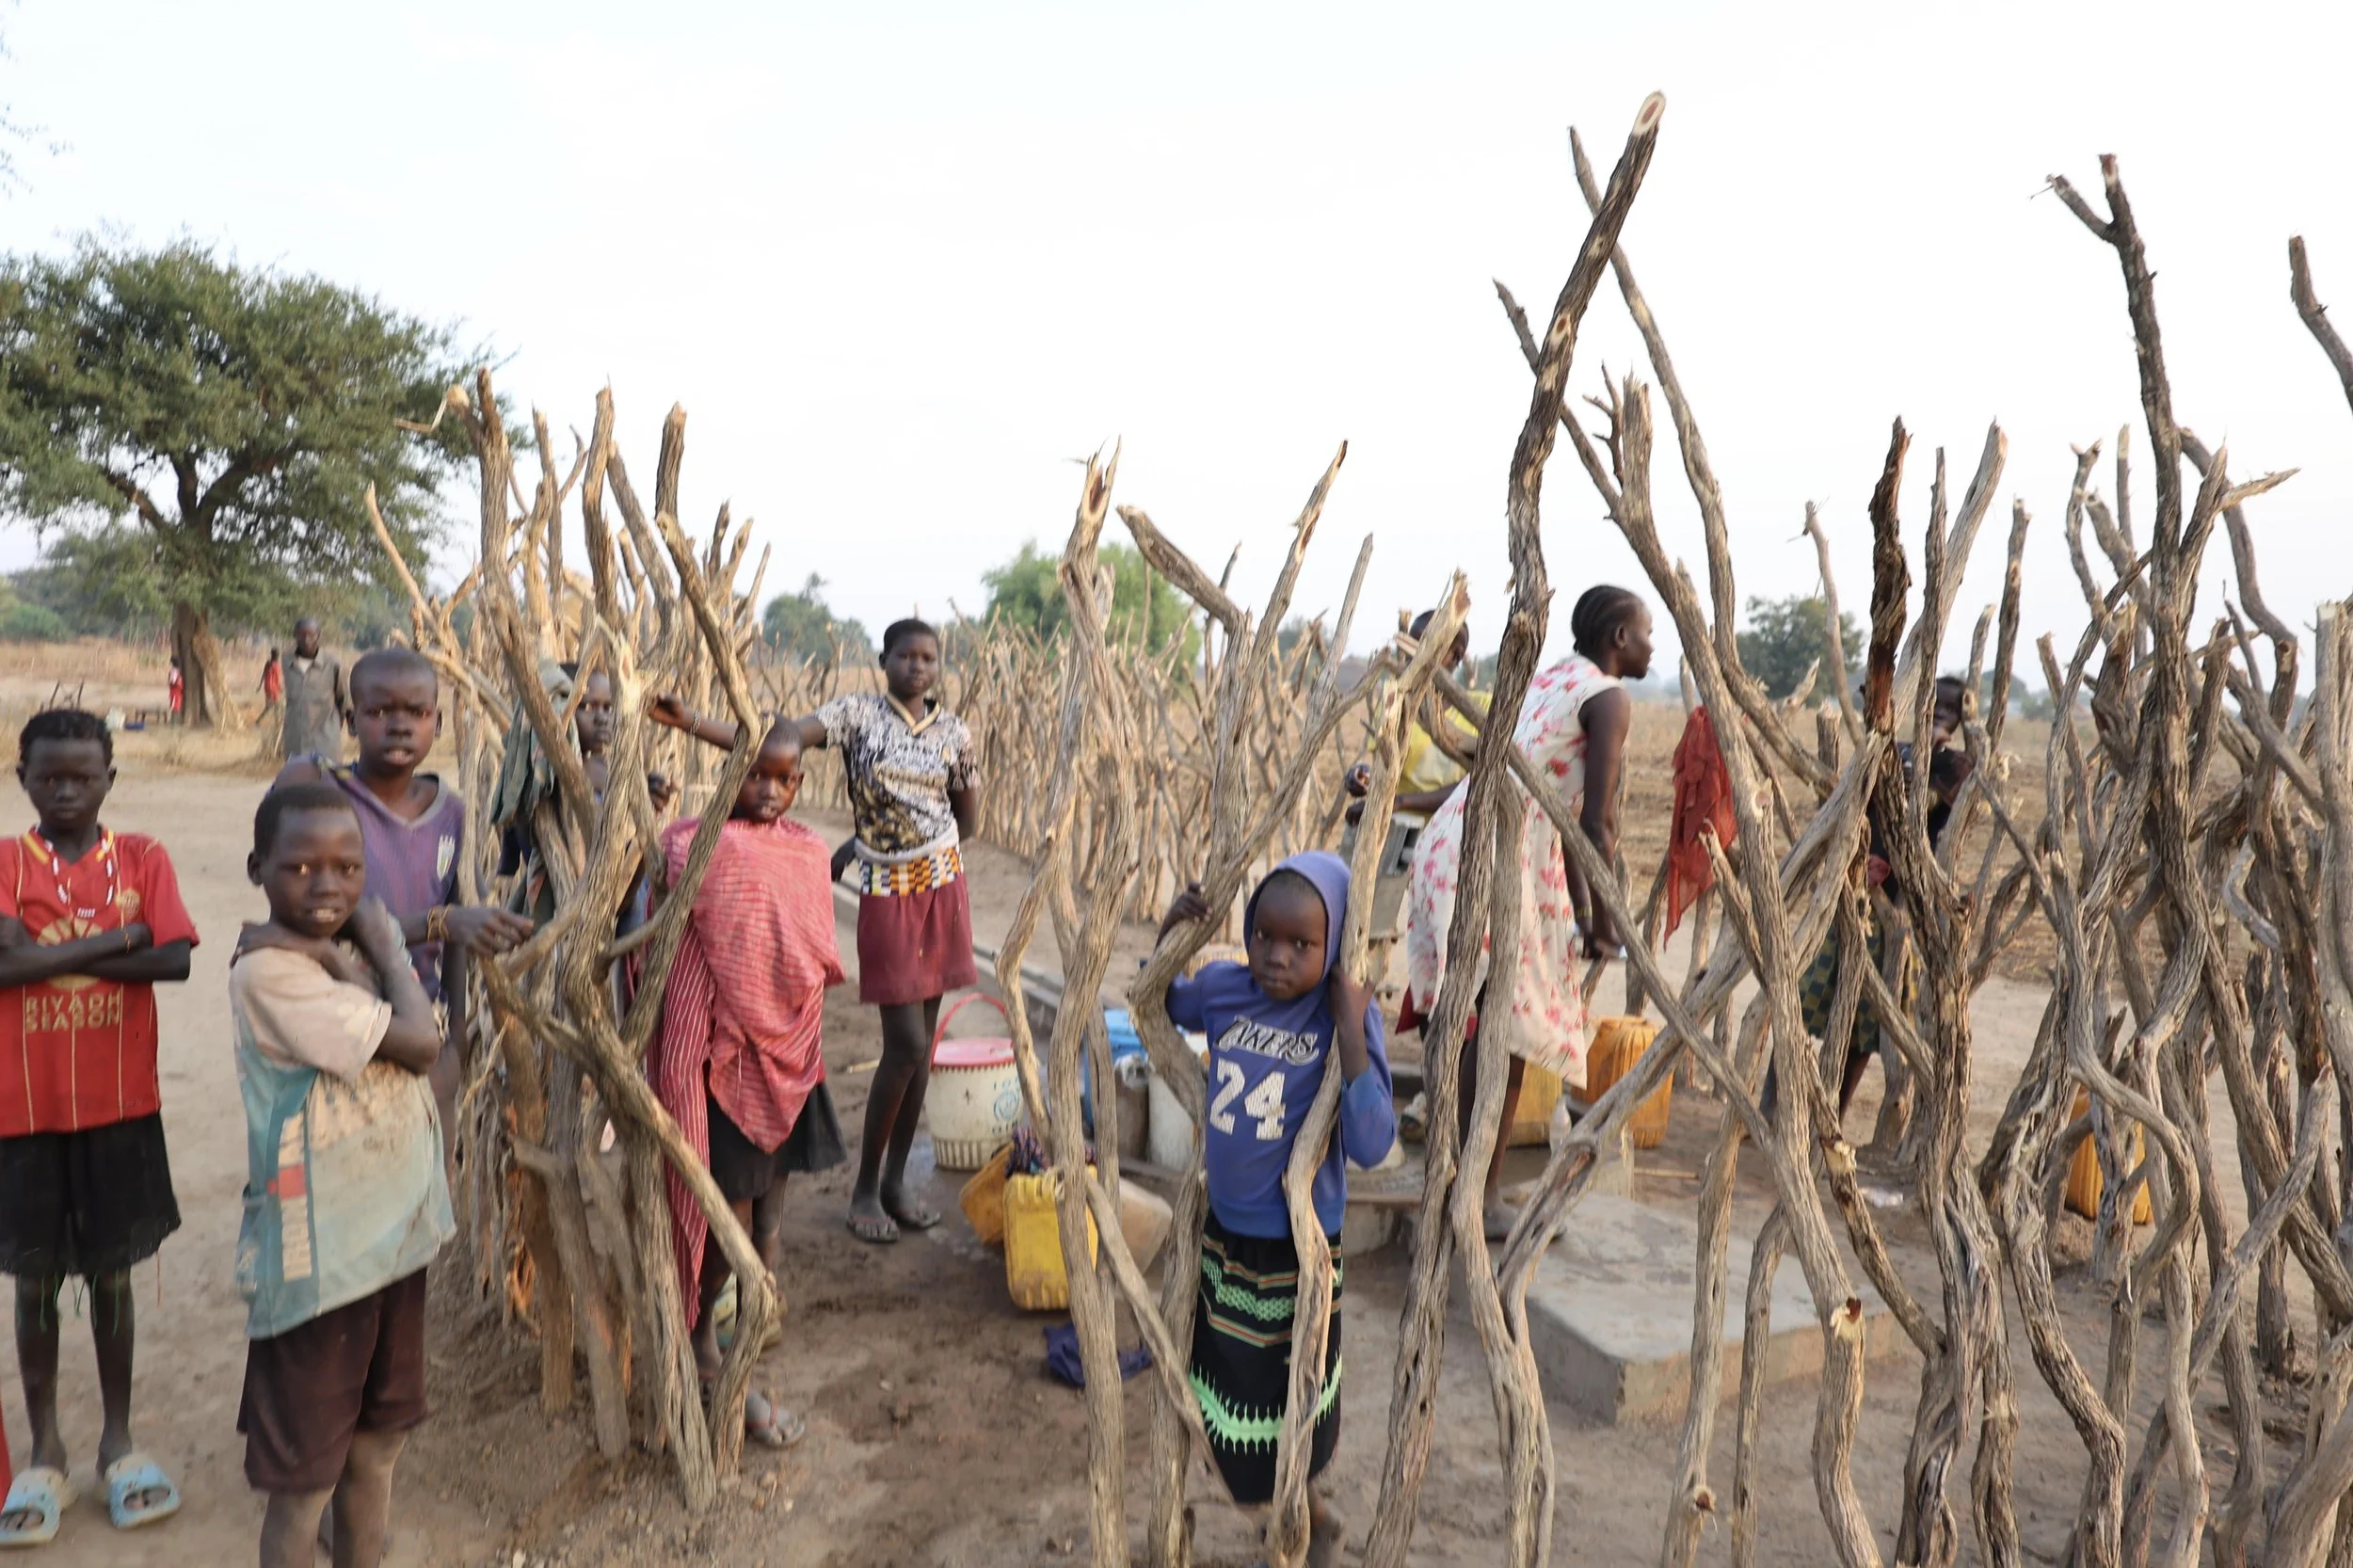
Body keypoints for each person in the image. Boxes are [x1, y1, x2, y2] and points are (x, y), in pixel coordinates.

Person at [651, 616, 979, 1245]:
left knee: (923, 1048)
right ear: (882, 661)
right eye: (905, 656)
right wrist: (691, 721)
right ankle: (865, 1186)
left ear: (939, 667)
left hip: (943, 886)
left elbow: (966, 818)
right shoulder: (855, 714)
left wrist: (879, 843)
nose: (917, 667)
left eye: (929, 658)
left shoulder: (955, 733)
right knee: (906, 1044)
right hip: (886, 891)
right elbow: (774, 738)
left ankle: (893, 1185)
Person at [229, 783, 453, 1568]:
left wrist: (343, 952)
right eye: (301, 869)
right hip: (319, 1259)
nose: (327, 888)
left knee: (378, 1448)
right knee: (305, 1485)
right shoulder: (269, 976)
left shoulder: (324, 954)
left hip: (393, 1243)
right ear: (258, 868)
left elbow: (417, 1031)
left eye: (348, 869)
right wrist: (385, 944)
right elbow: (423, 1045)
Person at [1157, 853, 1394, 1568]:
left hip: (1297, 1254)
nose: (1277, 958)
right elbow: (1167, 1002)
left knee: (1290, 1410)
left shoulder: (1341, 1018)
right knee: (1232, 1408)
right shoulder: (1229, 990)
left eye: (1301, 944)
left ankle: (1298, 1531)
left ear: (1335, 945)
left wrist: (1351, 1030)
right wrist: (1173, 930)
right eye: (1264, 936)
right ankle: (1309, 1522)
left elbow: (1377, 1138)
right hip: (1228, 1245)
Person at [0, 711, 197, 1545]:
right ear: (24, 781)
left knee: (112, 1277)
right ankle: (44, 1447)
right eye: (51, 777)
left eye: (84, 775)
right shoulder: (6, 865)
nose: (68, 789)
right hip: (23, 1110)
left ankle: (118, 1439)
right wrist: (125, 936)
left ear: (111, 778)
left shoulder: (143, 857)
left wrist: (34, 957)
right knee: (35, 1281)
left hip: (120, 1106)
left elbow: (176, 959)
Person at [1401, 585, 1653, 1238]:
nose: (1653, 645)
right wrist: (1605, 925)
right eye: (1646, 632)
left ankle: (1454, 1184)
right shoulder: (1607, 697)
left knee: (1472, 1027)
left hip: (1457, 842)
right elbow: (1596, 825)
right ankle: (1473, 1201)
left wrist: (1591, 923)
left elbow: (1558, 813)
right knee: (1502, 1038)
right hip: (1489, 856)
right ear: (1618, 639)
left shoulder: (1553, 680)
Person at [648, 721, 845, 1450]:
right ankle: (705, 1337)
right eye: (754, 775)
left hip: (790, 1048)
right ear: (731, 774)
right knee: (724, 1207)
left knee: (772, 1191)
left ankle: (759, 1299)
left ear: (800, 784)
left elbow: (810, 946)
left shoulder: (806, 849)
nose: (767, 790)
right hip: (723, 1059)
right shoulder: (697, 844)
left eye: (783, 779)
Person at [275, 648, 534, 1131]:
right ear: (350, 721)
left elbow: (456, 940)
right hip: (333, 1019)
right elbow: (308, 919)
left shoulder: (452, 813)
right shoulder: (320, 794)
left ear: (437, 723)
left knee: (426, 1182)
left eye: (416, 713)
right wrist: (439, 922)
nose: (399, 726)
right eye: (379, 712)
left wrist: (454, 1042)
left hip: (420, 1027)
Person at [1796, 676, 1975, 1117]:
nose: (1937, 715)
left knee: (1864, 1022)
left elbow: (1935, 806)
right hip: (1856, 895)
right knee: (1803, 1003)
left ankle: (1832, 1114)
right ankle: (1779, 1102)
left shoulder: (1958, 766)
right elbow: (1860, 800)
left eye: (1949, 711)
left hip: (1899, 913)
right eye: (1932, 706)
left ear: (1963, 720)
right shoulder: (1889, 751)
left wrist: (1927, 751)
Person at [280, 619, 348, 763]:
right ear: (294, 636)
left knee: (327, 783)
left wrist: (334, 726)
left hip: (325, 742)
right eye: (301, 635)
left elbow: (344, 700)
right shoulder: (287, 662)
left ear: (318, 636)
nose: (306, 640)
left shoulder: (333, 665)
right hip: (295, 741)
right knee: (297, 783)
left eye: (311, 635)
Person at [258, 649, 284, 715]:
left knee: (268, 706)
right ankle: (277, 723)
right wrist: (280, 688)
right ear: (277, 656)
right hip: (273, 688)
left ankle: (258, 721)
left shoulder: (268, 663)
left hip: (266, 687)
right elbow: (277, 679)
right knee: (276, 706)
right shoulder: (277, 666)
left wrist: (260, 686)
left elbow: (263, 674)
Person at [165, 658, 184, 728]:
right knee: (176, 706)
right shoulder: (178, 671)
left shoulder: (174, 671)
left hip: (175, 691)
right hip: (177, 691)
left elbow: (172, 681)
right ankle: (174, 722)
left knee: (174, 706)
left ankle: (174, 723)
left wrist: (169, 681)